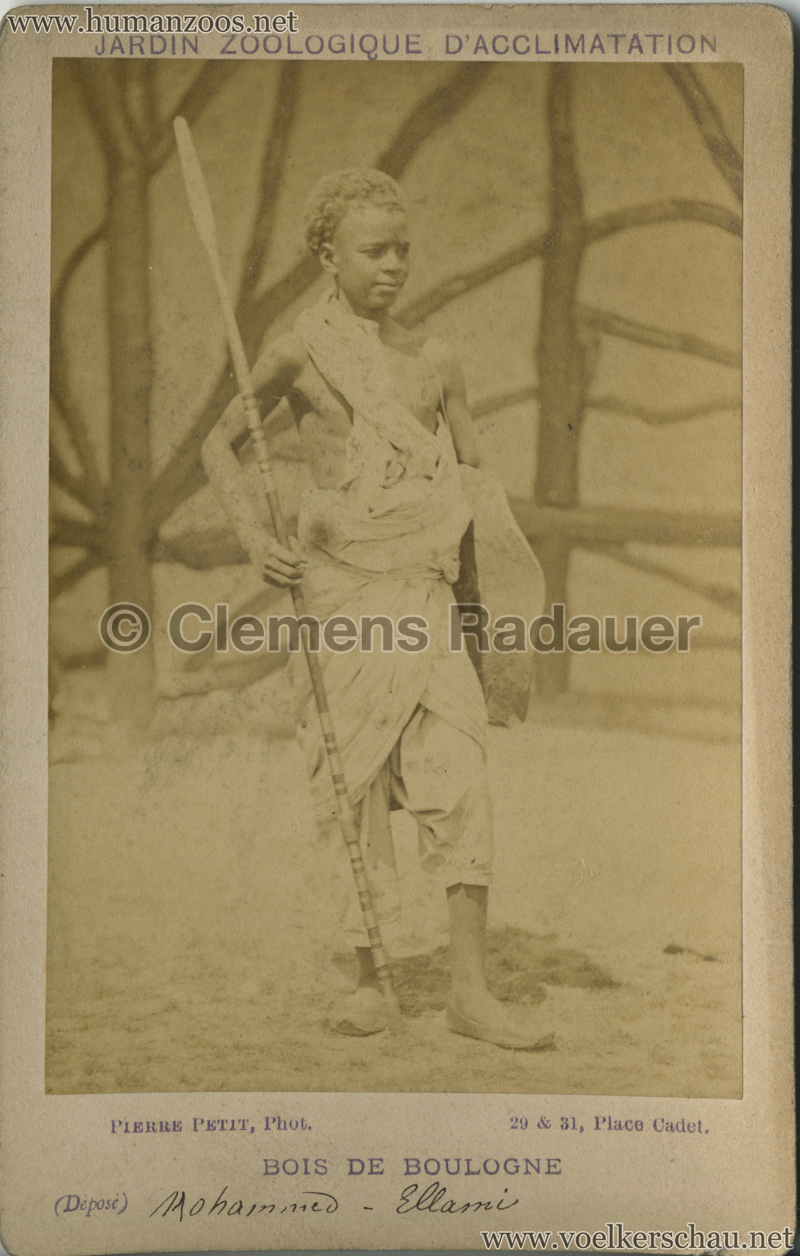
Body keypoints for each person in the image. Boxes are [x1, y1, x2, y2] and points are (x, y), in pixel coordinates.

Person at [201, 169, 552, 1050]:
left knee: (462, 782)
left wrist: (484, 611)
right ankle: (368, 981)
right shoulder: (299, 351)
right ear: (329, 255)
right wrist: (255, 539)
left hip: (425, 600)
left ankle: (470, 991)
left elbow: (475, 485)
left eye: (402, 249)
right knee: (353, 791)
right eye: (373, 250)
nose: (393, 265)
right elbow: (218, 443)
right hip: (341, 602)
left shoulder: (436, 360)